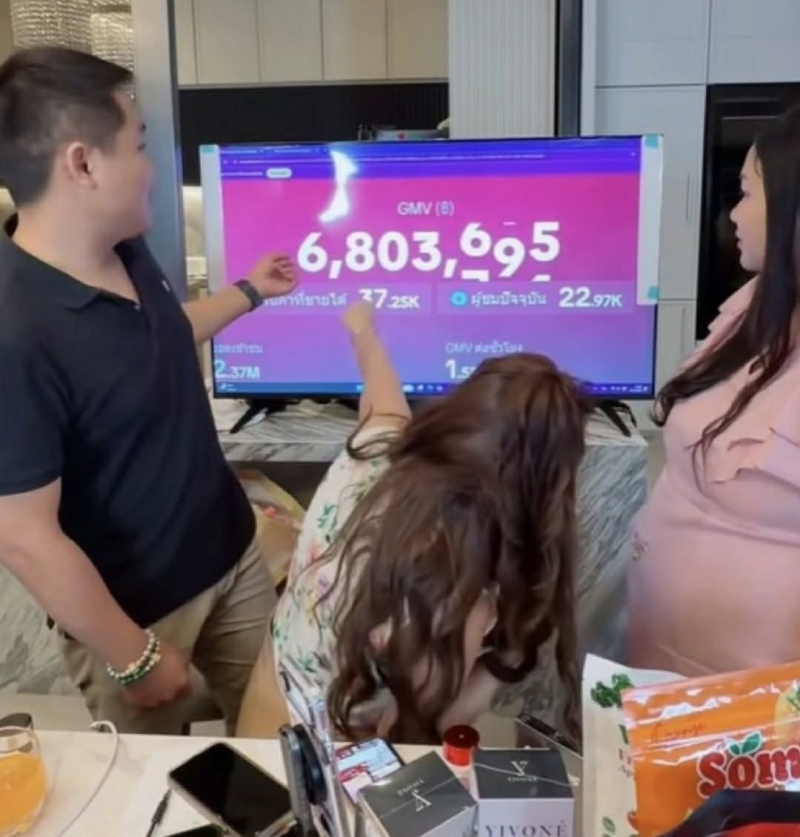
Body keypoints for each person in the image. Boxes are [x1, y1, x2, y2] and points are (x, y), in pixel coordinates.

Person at [0, 46, 297, 734]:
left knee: (283, 739)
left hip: (233, 555)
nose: (152, 168)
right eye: (137, 145)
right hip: (138, 615)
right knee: (154, 782)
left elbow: (158, 337)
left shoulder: (125, 251)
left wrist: (250, 291)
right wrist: (132, 655)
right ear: (82, 164)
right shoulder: (17, 333)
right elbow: (22, 536)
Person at [237, 300, 594, 742]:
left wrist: (362, 330)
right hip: (333, 753)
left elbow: (383, 398)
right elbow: (413, 735)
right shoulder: (456, 601)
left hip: (270, 691)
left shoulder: (372, 457)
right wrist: (508, 660)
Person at [628, 104, 800, 676]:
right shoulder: (754, 306)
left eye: (746, 193)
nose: (732, 215)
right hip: (662, 651)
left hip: (757, 687)